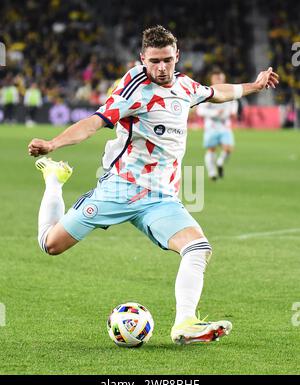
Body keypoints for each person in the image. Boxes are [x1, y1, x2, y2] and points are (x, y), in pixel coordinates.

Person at [28, 25, 279, 345]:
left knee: (198, 248)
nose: (161, 68)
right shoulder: (133, 89)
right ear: (142, 59)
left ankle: (185, 323)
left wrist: (254, 86)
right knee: (51, 244)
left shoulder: (186, 87)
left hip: (160, 198)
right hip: (119, 188)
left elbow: (217, 93)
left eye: (168, 61)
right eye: (154, 61)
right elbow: (93, 123)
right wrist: (53, 144)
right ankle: (54, 181)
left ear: (178, 57)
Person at [197, 67, 238, 180]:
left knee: (228, 149)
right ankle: (212, 173)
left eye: (221, 78)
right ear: (212, 80)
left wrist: (233, 112)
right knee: (211, 149)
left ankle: (220, 162)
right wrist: (215, 112)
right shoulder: (207, 92)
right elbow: (200, 111)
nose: (220, 80)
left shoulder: (229, 91)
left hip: (225, 126)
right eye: (217, 78)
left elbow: (234, 103)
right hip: (211, 127)